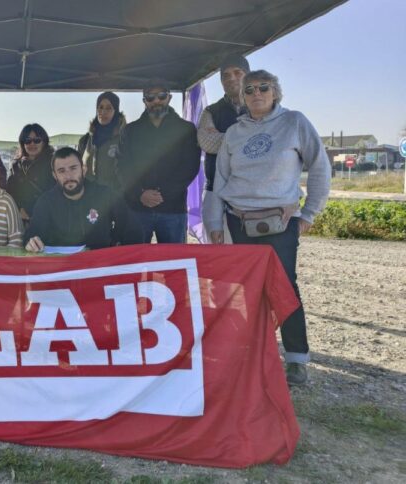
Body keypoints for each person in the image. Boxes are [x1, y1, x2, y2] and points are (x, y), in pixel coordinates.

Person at [202, 69, 331, 386]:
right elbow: (221, 180)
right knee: (244, 293)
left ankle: (297, 360)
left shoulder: (295, 123)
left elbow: (320, 166)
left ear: (276, 92)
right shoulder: (233, 133)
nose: (256, 93)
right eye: (249, 90)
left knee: (284, 288)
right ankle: (250, 353)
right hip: (238, 220)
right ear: (242, 97)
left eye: (263, 87)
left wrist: (310, 213)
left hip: (280, 222)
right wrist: (215, 223)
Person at [117, 78, 201, 243]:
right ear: (144, 101)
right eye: (150, 97)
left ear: (169, 98)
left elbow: (190, 167)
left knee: (174, 263)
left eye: (161, 96)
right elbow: (122, 167)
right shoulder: (130, 131)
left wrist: (164, 194)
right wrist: (140, 194)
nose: (156, 101)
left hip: (173, 209)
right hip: (137, 208)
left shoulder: (186, 129)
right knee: (136, 262)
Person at [25, 147, 142, 252]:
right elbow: (32, 235)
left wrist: (117, 243)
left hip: (99, 265)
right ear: (55, 175)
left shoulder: (105, 194)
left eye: (73, 168)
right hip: (62, 268)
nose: (68, 176)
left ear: (84, 170)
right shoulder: (46, 202)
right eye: (61, 171)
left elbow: (133, 227)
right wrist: (31, 243)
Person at [198, 54, 250, 192]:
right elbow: (207, 143)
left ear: (248, 76)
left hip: (252, 190)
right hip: (215, 189)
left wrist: (221, 138)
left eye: (237, 73)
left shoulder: (263, 108)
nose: (231, 78)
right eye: (225, 75)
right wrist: (250, 138)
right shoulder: (210, 111)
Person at [6, 124, 56, 225]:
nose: (32, 144)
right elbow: (10, 192)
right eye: (28, 141)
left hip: (49, 218)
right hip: (23, 220)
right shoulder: (16, 165)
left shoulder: (54, 163)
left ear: (44, 141)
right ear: (23, 143)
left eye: (37, 140)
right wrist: (19, 209)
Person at [77, 91, 126, 192]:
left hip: (115, 198)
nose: (103, 112)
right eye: (100, 107)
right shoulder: (85, 140)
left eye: (109, 108)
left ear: (115, 111)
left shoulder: (124, 139)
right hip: (89, 198)